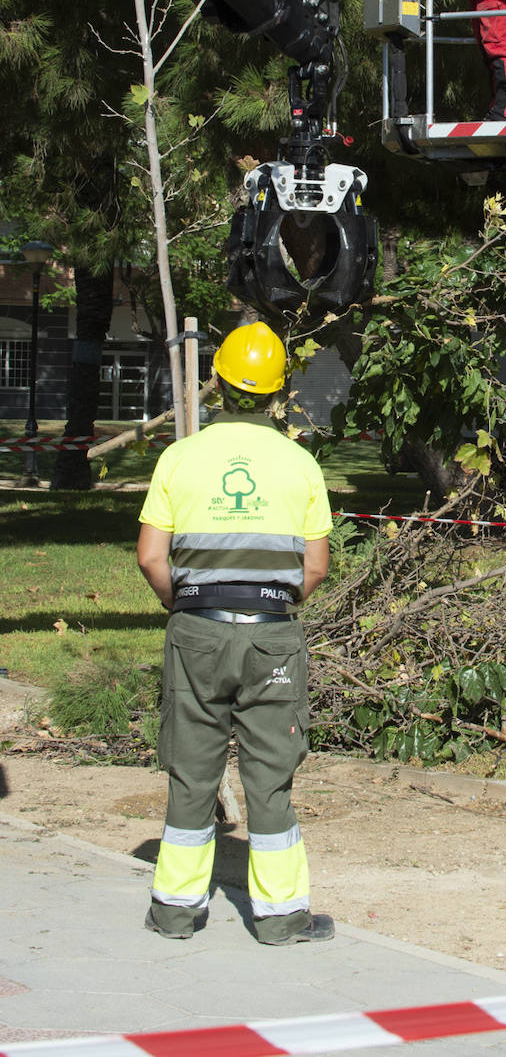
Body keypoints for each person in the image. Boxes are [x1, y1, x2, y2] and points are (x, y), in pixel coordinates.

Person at [136, 321, 334, 946]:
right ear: (277, 391)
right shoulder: (300, 463)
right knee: (270, 777)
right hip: (272, 634)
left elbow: (150, 557)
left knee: (192, 772)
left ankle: (175, 912)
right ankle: (281, 919)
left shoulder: (179, 457)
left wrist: (183, 606)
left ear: (217, 382)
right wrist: (273, 606)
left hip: (197, 628)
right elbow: (316, 568)